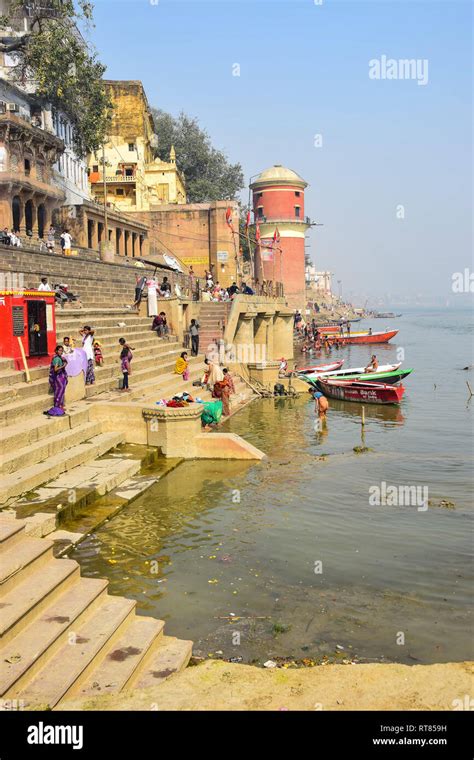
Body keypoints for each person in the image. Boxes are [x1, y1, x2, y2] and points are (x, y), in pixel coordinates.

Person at [48, 345, 68, 411]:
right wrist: (63, 366)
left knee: (61, 391)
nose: (61, 352)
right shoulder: (57, 359)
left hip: (60, 376)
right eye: (59, 350)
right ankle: (57, 405)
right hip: (57, 377)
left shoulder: (60, 358)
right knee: (59, 390)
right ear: (56, 351)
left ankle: (60, 405)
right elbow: (55, 369)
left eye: (62, 351)